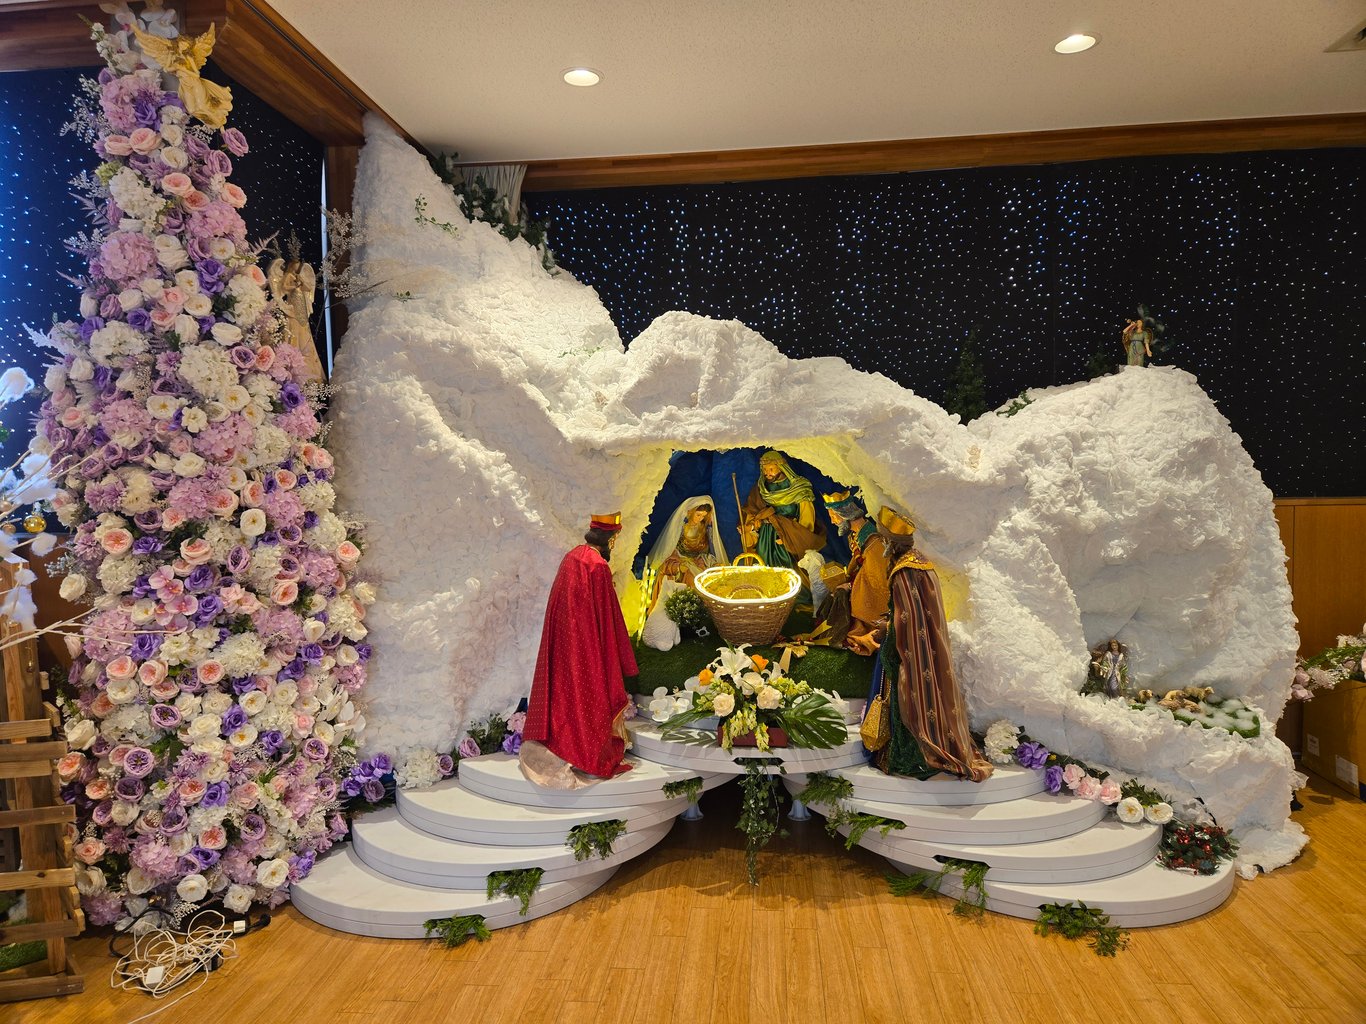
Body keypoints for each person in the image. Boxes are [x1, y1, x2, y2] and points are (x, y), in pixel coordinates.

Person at [866, 507, 993, 783]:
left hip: (909, 652)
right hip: (924, 648)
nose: (881, 545)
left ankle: (914, 757)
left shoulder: (903, 571)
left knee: (910, 702)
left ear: (890, 543)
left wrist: (888, 629)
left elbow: (909, 620)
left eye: (883, 539)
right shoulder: (919, 562)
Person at [520, 512, 638, 787]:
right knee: (589, 695)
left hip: (564, 641)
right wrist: (621, 656)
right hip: (588, 644)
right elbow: (608, 616)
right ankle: (586, 753)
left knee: (565, 693)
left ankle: (562, 743)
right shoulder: (597, 566)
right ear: (611, 538)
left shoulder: (572, 557)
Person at [815, 489, 891, 655]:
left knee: (847, 598)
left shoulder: (873, 541)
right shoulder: (856, 535)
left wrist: (851, 585)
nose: (832, 521)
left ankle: (857, 633)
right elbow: (857, 563)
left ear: (845, 515)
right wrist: (847, 577)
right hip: (862, 579)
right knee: (835, 593)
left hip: (874, 590)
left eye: (834, 516)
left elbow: (876, 576)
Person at [741, 451, 827, 570]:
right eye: (764, 469)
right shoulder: (761, 487)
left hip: (789, 535)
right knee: (765, 569)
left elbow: (807, 517)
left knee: (790, 570)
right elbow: (754, 511)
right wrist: (750, 527)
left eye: (771, 469)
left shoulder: (798, 488)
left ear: (781, 467)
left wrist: (794, 538)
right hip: (766, 538)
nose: (767, 473)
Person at [648, 496, 727, 607]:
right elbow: (671, 548)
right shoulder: (681, 528)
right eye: (698, 515)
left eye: (703, 516)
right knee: (689, 576)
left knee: (707, 578)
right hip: (680, 557)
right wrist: (679, 565)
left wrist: (711, 562)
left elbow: (706, 551)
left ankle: (698, 608)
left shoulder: (703, 529)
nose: (700, 518)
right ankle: (686, 607)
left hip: (698, 560)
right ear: (690, 512)